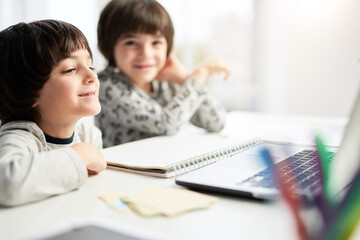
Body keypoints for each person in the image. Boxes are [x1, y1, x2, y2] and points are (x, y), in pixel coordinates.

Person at [96, 0, 231, 147]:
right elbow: (166, 124)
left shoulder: (165, 80)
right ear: (110, 46)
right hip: (123, 169)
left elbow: (216, 122)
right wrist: (200, 74)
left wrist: (184, 78)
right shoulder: (105, 85)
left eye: (156, 43)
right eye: (131, 42)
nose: (146, 54)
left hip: (164, 165)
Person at [0, 20, 107, 207]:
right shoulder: (19, 138)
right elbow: (6, 184)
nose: (92, 77)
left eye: (91, 67)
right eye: (70, 69)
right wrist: (81, 156)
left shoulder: (88, 136)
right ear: (28, 93)